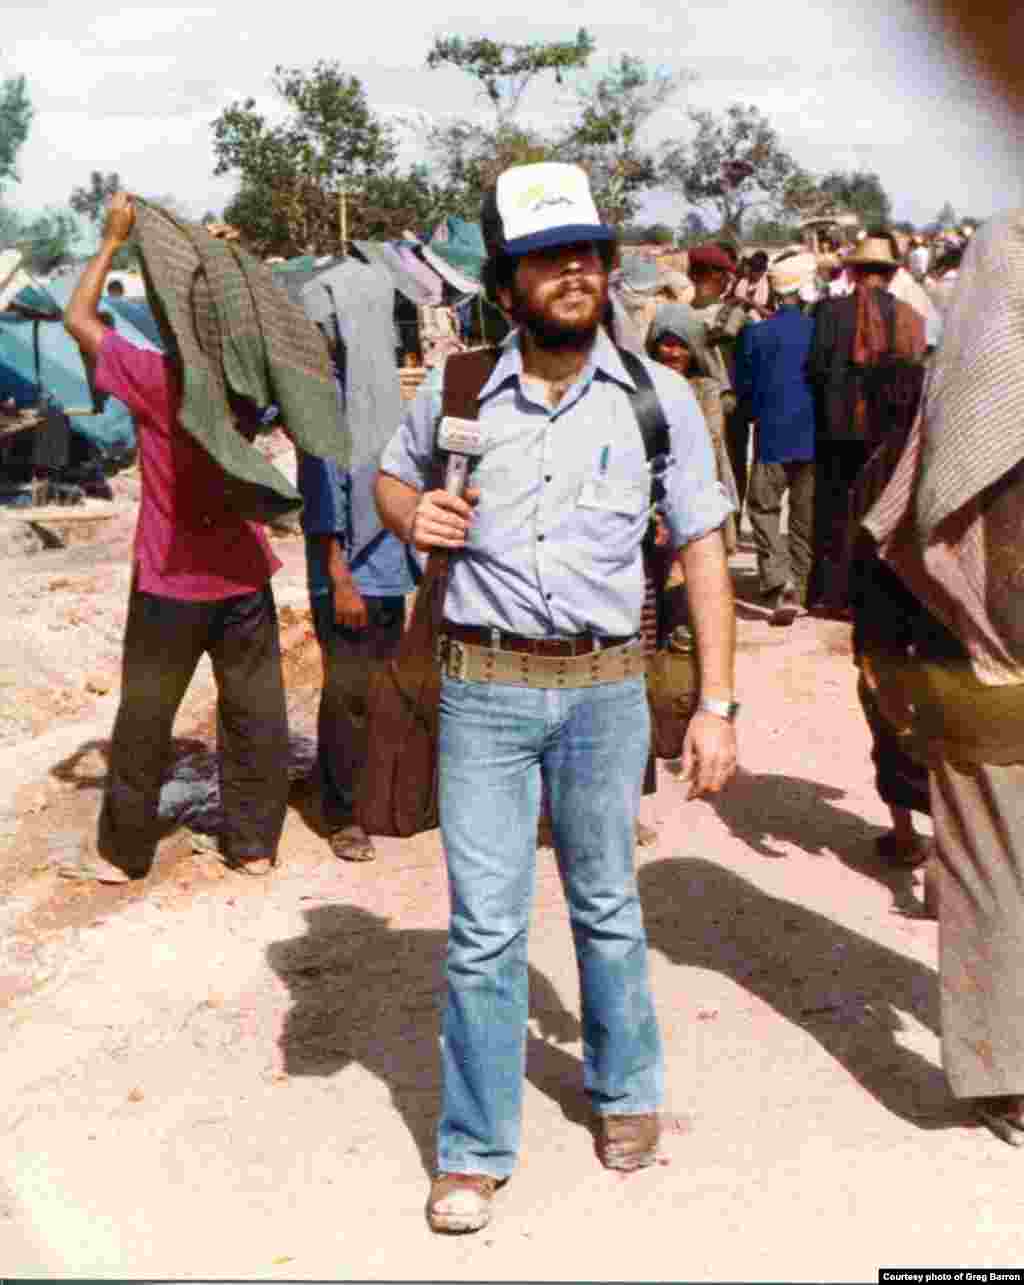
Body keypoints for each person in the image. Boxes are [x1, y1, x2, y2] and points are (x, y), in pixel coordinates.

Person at [376, 162, 737, 1233]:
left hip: (605, 688)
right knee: (483, 933)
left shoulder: (653, 396)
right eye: (548, 257)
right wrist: (410, 518)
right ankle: (475, 1149)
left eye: (586, 253)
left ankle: (626, 1091)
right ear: (509, 279)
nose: (573, 272)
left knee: (607, 907)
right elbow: (390, 479)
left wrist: (718, 702)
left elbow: (706, 547)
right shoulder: (453, 392)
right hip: (481, 688)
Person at [62, 193, 338, 883]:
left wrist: (112, 241)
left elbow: (78, 317)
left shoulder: (159, 380)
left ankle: (124, 854)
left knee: (146, 715)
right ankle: (252, 845)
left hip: (169, 580)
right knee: (255, 715)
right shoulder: (249, 391)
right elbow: (271, 326)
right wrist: (228, 261)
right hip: (243, 575)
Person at [863, 209, 1024, 1144]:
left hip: (975, 670)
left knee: (986, 875)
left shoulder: (953, 400)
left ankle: (1005, 1074)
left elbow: (908, 534)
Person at [806, 231, 926, 613]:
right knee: (877, 509)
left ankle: (828, 594)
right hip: (886, 435)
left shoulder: (827, 312)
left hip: (835, 430)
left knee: (833, 510)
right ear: (890, 275)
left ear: (854, 272)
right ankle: (869, 597)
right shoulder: (909, 317)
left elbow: (814, 370)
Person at [735, 252, 818, 624]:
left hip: (770, 436)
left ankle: (777, 579)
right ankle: (800, 584)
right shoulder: (817, 331)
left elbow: (745, 389)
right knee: (805, 515)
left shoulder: (755, 334)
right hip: (813, 437)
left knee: (764, 510)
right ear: (804, 290)